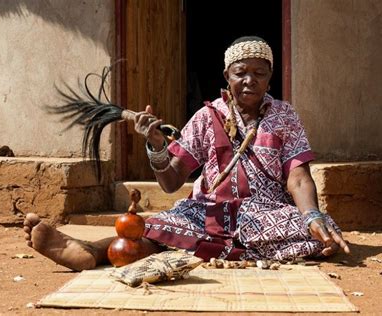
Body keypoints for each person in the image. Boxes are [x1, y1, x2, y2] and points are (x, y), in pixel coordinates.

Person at [24, 36, 350, 271]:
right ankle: (89, 252)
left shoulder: (284, 116)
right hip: (205, 212)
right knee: (167, 223)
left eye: (259, 73)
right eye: (241, 72)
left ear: (269, 78)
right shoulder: (207, 117)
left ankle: (114, 251)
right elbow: (171, 181)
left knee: (322, 232)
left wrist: (311, 216)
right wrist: (155, 145)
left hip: (264, 215)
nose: (249, 80)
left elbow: (298, 177)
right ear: (227, 76)